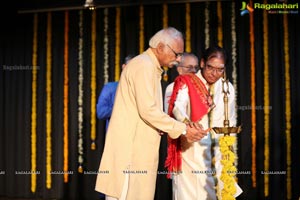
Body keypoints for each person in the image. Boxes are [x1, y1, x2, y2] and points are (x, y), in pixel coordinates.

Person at [95, 27, 209, 200]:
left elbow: (147, 112)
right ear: (161, 47)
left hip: (138, 150)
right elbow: (148, 111)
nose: (178, 59)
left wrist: (163, 126)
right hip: (131, 154)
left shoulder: (150, 66)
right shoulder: (144, 65)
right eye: (176, 54)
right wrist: (184, 129)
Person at [165, 46, 243, 200]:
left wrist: (229, 148)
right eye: (210, 67)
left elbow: (231, 120)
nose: (214, 73)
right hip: (192, 149)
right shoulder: (187, 82)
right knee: (191, 193)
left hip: (219, 152)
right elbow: (178, 108)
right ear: (202, 63)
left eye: (220, 69)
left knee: (219, 192)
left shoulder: (227, 87)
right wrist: (187, 124)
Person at [96, 54, 134, 131]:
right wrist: (119, 109)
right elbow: (100, 112)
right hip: (116, 137)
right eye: (131, 67)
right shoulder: (110, 88)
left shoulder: (141, 89)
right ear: (124, 67)